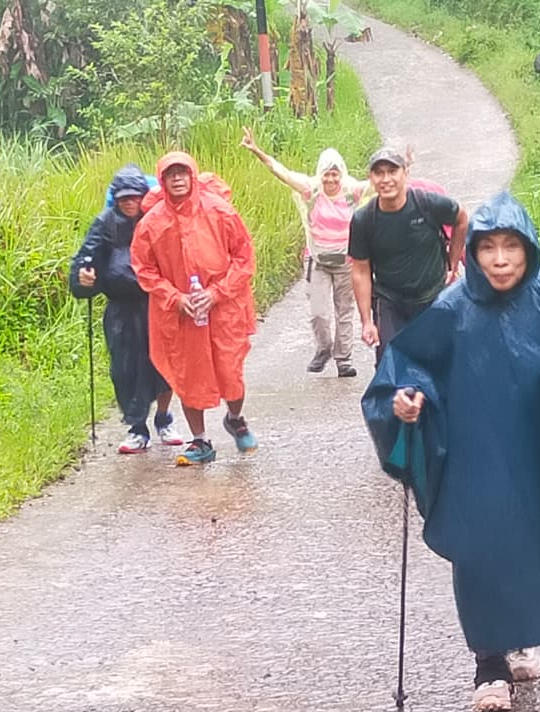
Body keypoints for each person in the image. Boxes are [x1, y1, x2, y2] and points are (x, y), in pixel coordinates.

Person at [362, 192, 540, 712]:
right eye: (489, 248)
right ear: (473, 252)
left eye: (512, 247)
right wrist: (408, 401)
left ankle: (520, 638)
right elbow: (409, 367)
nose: (501, 260)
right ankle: (488, 664)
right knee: (481, 547)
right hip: (474, 453)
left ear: (529, 249)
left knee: (532, 540)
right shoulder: (453, 308)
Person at [130, 151, 258, 466]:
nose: (177, 179)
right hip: (181, 314)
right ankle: (200, 440)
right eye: (171, 174)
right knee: (188, 375)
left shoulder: (219, 211)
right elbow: (144, 268)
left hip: (224, 308)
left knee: (230, 371)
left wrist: (217, 292)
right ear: (162, 180)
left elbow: (244, 257)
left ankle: (235, 418)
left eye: (182, 172)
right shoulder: (151, 224)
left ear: (192, 175)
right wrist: (175, 297)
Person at [68, 165, 183, 454]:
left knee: (164, 365)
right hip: (121, 309)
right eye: (124, 198)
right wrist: (84, 278)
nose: (130, 202)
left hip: (156, 304)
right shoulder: (104, 223)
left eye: (135, 197)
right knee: (125, 369)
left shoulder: (157, 219)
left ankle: (163, 419)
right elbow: (85, 260)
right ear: (116, 199)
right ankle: (137, 428)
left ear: (145, 196)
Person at [241, 128, 366, 377]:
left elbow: (379, 183)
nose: (331, 180)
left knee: (344, 312)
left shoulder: (351, 192)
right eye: (327, 175)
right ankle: (324, 348)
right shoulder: (311, 191)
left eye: (335, 175)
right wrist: (258, 152)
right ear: (320, 175)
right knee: (319, 313)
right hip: (318, 260)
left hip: (346, 261)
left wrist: (404, 166)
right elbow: (282, 172)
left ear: (341, 175)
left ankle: (344, 361)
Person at [348, 147, 469, 362]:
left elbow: (461, 219)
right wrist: (366, 321)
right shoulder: (363, 220)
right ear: (371, 179)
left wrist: (452, 264)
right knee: (389, 364)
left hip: (433, 297)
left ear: (405, 173)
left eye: (392, 171)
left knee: (438, 364)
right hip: (391, 302)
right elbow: (360, 272)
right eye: (379, 173)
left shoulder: (428, 204)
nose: (386, 179)